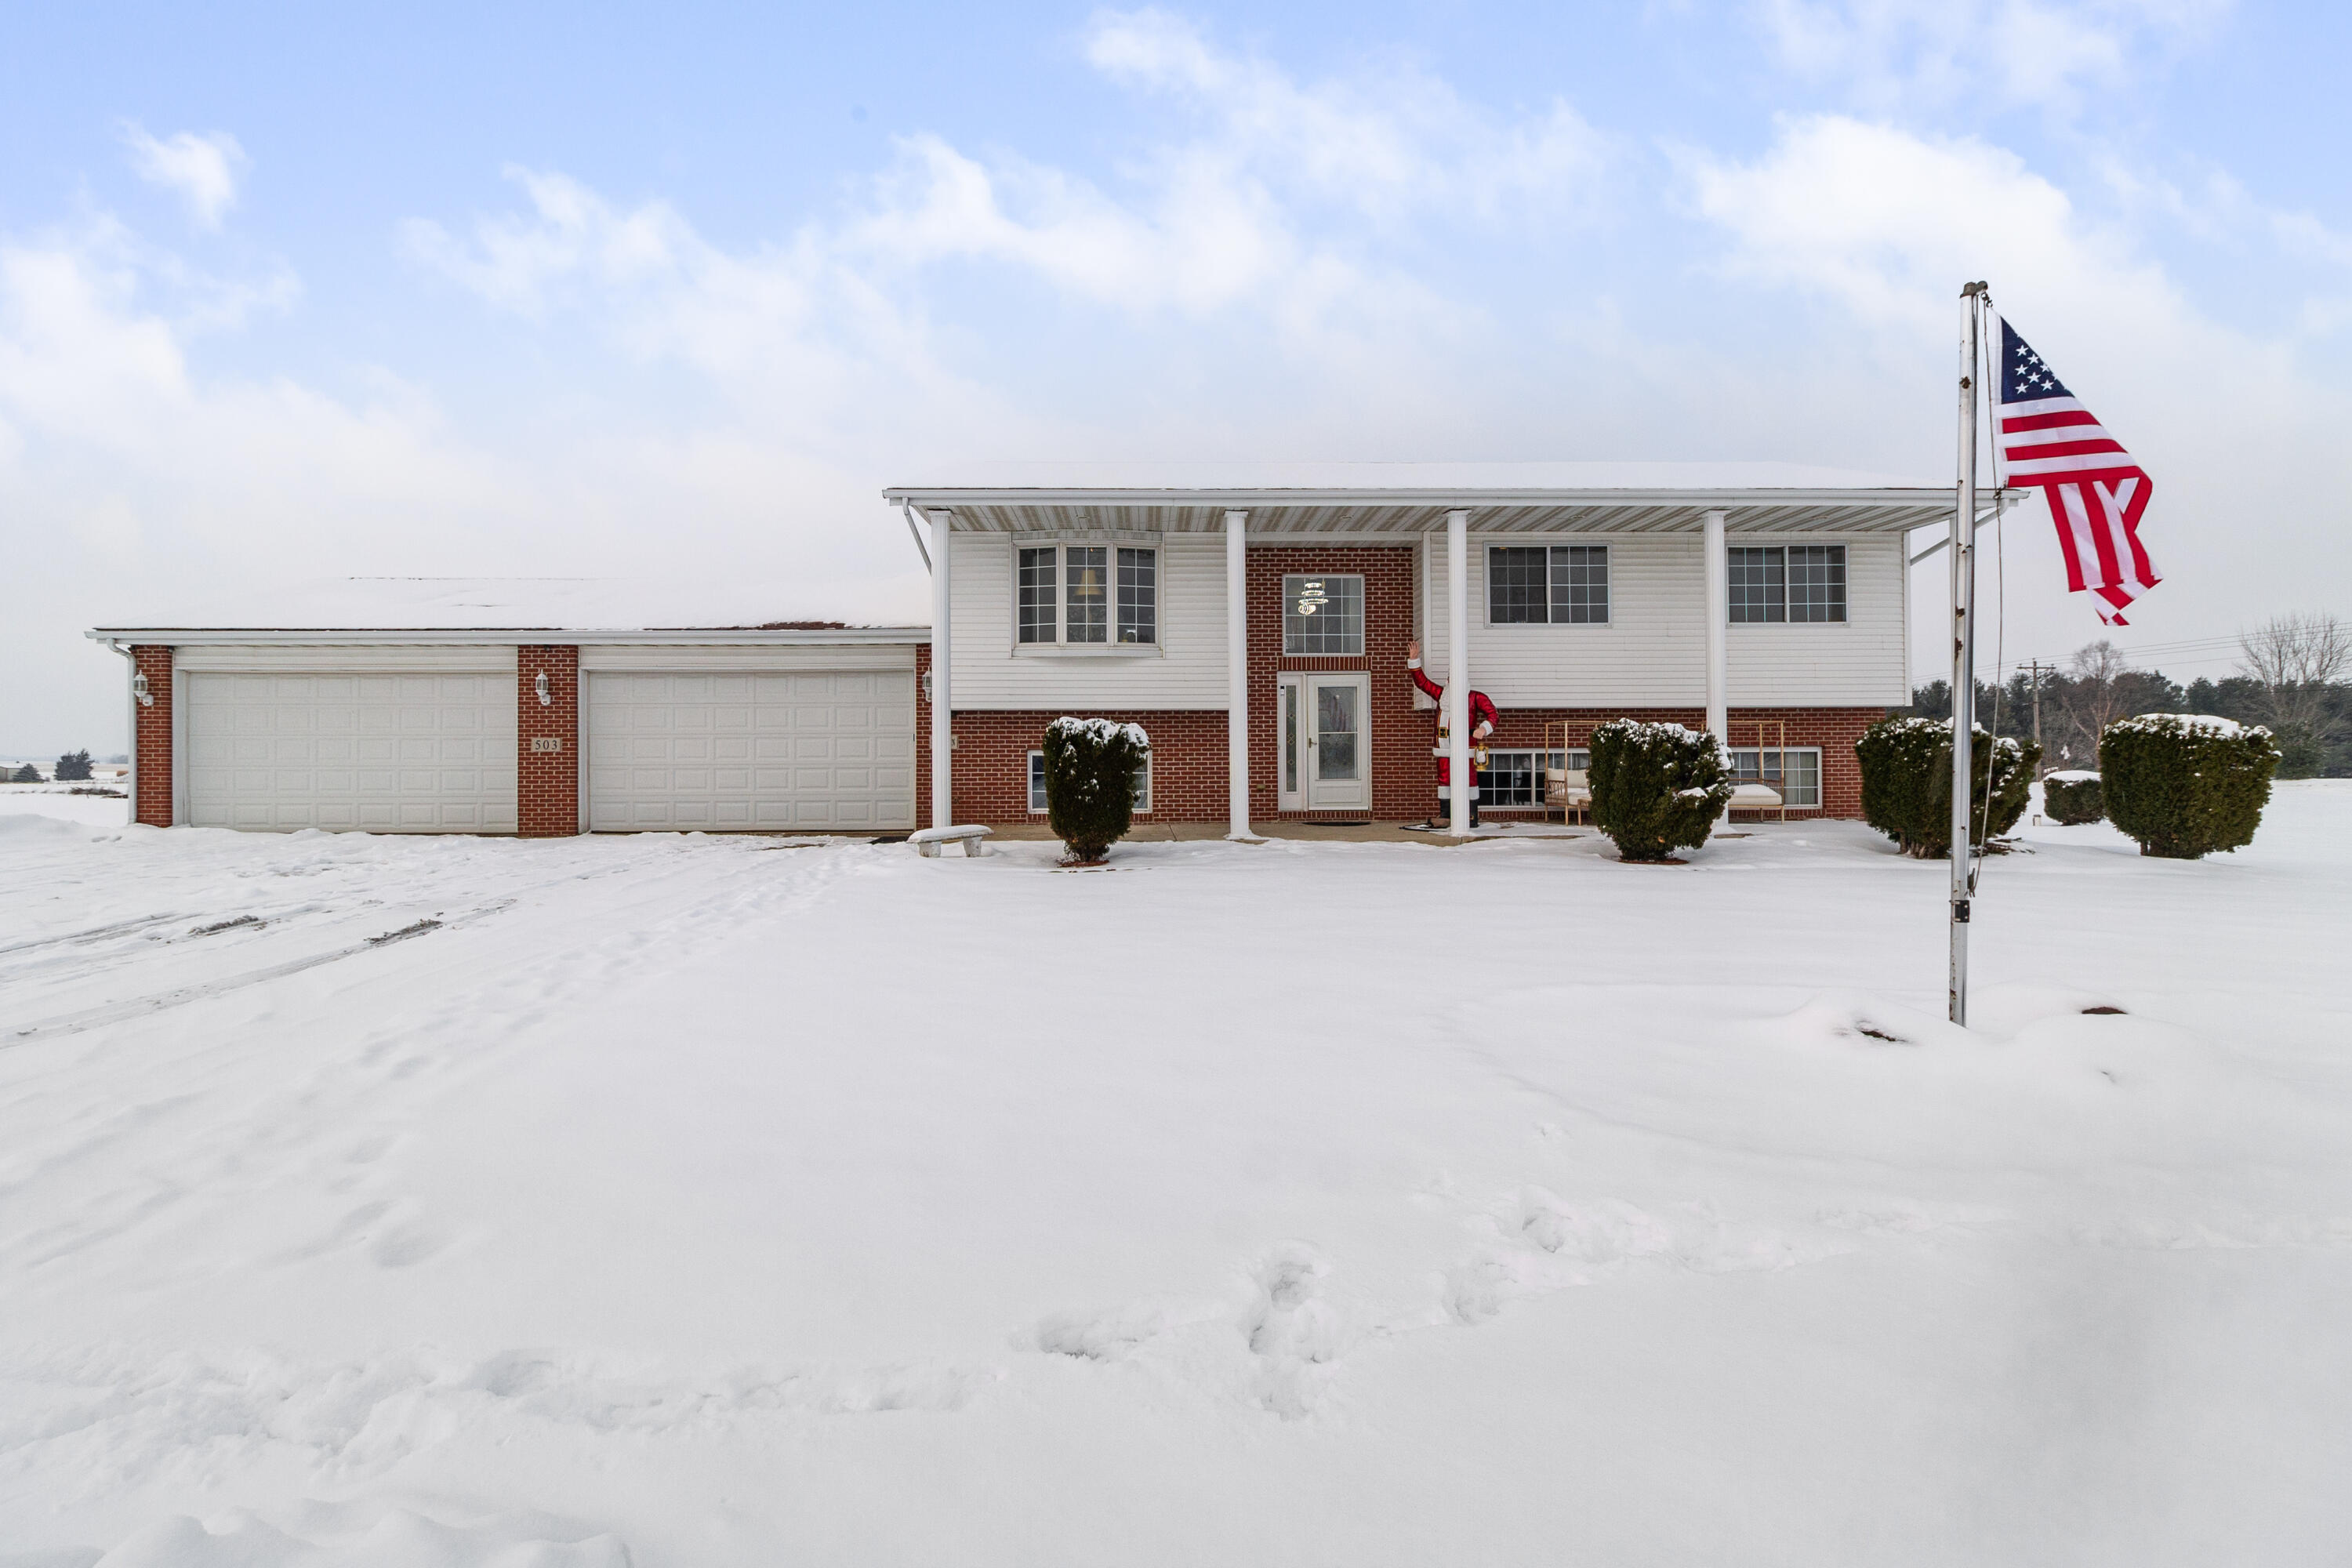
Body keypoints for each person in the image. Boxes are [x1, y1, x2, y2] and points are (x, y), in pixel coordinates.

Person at [1405, 638, 1496, 827]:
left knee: (1470, 779)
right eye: (1450, 678)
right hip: (1444, 748)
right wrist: (1414, 661)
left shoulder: (1475, 697)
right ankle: (1446, 815)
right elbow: (1422, 683)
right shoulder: (1441, 694)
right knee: (1444, 780)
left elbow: (1492, 713)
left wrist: (1483, 728)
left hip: (1466, 747)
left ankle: (1471, 816)